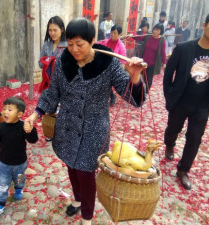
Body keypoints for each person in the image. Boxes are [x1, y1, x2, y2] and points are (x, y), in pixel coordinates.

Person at [25, 18, 146, 225]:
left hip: (95, 129)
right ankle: (78, 199)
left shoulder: (108, 63)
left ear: (92, 40)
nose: (74, 49)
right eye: (70, 43)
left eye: (79, 44)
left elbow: (134, 99)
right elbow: (52, 93)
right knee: (72, 167)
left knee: (86, 173)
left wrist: (134, 78)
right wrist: (35, 114)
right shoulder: (63, 63)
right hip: (67, 127)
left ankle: (87, 217)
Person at [163, 9, 209, 190]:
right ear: (204, 25)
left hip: (202, 103)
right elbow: (168, 74)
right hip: (181, 100)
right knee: (173, 129)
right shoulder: (184, 48)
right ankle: (169, 145)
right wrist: (169, 96)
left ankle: (183, 170)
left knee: (195, 138)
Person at [0, 97, 38, 219]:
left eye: (9, 109)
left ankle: (19, 189)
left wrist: (31, 130)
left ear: (19, 114)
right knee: (2, 184)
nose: (5, 112)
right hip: (4, 163)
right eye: (4, 108)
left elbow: (33, 140)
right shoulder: (2, 127)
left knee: (19, 178)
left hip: (20, 163)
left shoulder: (23, 127)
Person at [39, 16, 67, 141]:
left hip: (65, 82)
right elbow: (40, 64)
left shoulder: (67, 45)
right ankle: (50, 131)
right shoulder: (46, 45)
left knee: (65, 108)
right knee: (51, 107)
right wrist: (46, 61)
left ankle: (63, 133)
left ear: (62, 29)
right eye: (50, 30)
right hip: (50, 81)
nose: (52, 33)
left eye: (55, 30)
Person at [131, 23, 167, 92]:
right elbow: (140, 37)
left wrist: (164, 63)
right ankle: (141, 91)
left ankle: (146, 92)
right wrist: (132, 36)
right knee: (142, 77)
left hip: (152, 64)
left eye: (157, 30)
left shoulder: (162, 40)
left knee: (148, 79)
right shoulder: (148, 36)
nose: (155, 31)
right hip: (143, 62)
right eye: (154, 29)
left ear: (161, 31)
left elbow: (163, 52)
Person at [96, 25, 127, 106]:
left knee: (108, 83)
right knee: (103, 83)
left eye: (115, 33)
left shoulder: (121, 47)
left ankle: (112, 96)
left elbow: (122, 62)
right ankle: (111, 95)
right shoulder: (106, 42)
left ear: (119, 34)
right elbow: (97, 45)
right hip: (104, 66)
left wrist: (121, 73)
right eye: (111, 33)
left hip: (114, 69)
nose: (112, 35)